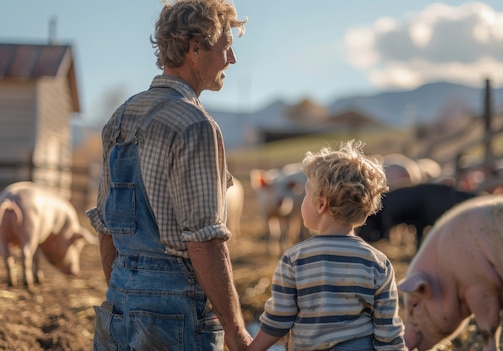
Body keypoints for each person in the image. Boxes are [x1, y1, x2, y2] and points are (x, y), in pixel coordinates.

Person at [86, 0, 252, 350]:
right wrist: (236, 333)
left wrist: (125, 293)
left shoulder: (120, 117)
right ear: (196, 49)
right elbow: (204, 242)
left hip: (119, 296)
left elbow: (106, 229)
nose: (232, 59)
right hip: (176, 308)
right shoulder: (196, 125)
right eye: (226, 47)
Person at [247, 140, 408, 351]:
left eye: (305, 193)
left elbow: (277, 321)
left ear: (321, 204)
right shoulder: (378, 263)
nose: (302, 200)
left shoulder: (295, 260)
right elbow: (389, 333)